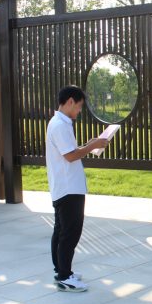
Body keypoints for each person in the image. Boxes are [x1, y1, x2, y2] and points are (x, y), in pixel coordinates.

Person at [46, 85, 108, 292]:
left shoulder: (59, 123)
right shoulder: (60, 125)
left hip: (64, 186)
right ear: (70, 101)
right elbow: (70, 156)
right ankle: (65, 276)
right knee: (70, 233)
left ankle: (62, 270)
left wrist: (89, 144)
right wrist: (93, 146)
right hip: (68, 188)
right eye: (79, 106)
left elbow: (70, 151)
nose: (79, 111)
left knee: (61, 230)